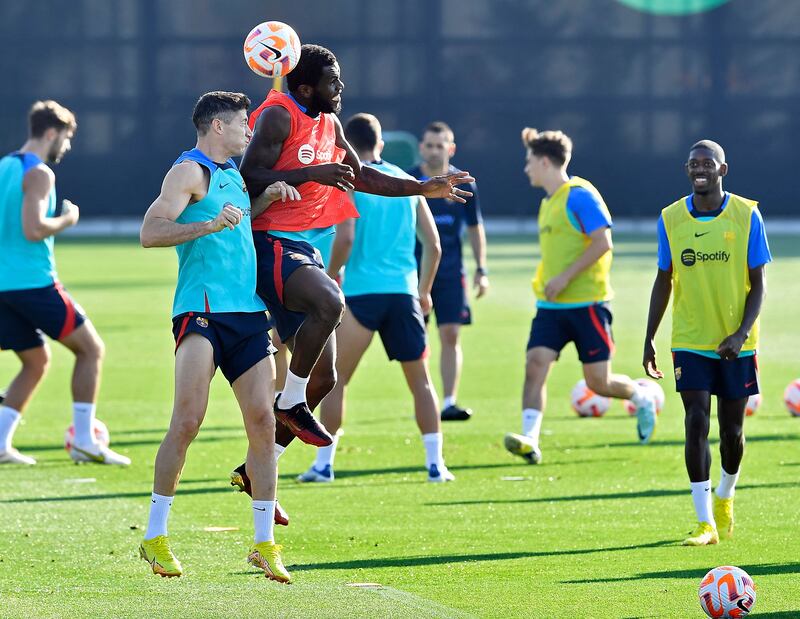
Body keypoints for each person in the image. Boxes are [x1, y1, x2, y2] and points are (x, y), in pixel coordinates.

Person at [229, 44, 473, 493]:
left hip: (302, 247)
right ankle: (290, 401)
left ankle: (256, 468)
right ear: (305, 87)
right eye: (332, 81)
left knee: (326, 378)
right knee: (330, 301)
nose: (341, 88)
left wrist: (423, 187)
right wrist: (311, 174)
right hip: (269, 243)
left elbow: (362, 176)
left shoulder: (331, 123)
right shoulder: (279, 115)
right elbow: (246, 178)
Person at [138, 91, 299, 581]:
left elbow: (234, 218)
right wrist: (209, 224)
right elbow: (150, 231)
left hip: (247, 313)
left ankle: (263, 544)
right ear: (216, 127)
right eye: (242, 123)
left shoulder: (230, 174)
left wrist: (261, 201)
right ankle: (155, 536)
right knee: (188, 419)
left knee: (263, 424)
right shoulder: (188, 171)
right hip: (201, 311)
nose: (250, 130)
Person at [297, 113, 453, 483]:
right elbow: (433, 244)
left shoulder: (352, 181)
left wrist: (330, 274)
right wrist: (424, 291)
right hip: (402, 295)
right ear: (380, 144)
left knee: (336, 380)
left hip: (361, 296)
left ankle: (324, 465)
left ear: (343, 146)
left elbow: (346, 237)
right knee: (422, 383)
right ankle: (436, 465)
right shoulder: (405, 180)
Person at [642, 140, 770, 546]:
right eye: (694, 164)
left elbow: (760, 283)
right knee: (695, 420)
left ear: (722, 170)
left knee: (731, 432)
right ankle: (704, 523)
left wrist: (740, 333)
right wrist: (649, 337)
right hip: (690, 338)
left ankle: (725, 495)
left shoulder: (747, 215)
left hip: (737, 342)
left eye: (707, 164)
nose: (700, 169)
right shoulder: (671, 218)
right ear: (687, 170)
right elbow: (664, 279)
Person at [504, 128, 657, 465]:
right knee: (535, 365)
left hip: (588, 305)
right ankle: (530, 439)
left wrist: (564, 277)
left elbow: (603, 243)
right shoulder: (547, 204)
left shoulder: (580, 195)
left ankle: (640, 396)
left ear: (545, 162)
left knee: (598, 383)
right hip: (550, 307)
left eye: (529, 161)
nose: (526, 169)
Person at [0, 100, 129, 466]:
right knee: (91, 350)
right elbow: (34, 228)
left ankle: (1, 443)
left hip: (3, 286)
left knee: (36, 360)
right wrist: (68, 219)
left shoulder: (3, 166)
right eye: (67, 138)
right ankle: (86, 439)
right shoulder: (39, 172)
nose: (67, 147)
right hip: (33, 283)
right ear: (52, 133)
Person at [408, 122, 488, 422]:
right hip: (415, 271)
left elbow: (475, 228)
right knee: (419, 337)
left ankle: (449, 401)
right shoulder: (410, 180)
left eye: (440, 145)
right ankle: (425, 396)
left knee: (451, 334)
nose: (433, 150)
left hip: (452, 272)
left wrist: (482, 269)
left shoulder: (464, 182)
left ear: (450, 148)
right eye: (429, 144)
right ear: (421, 147)